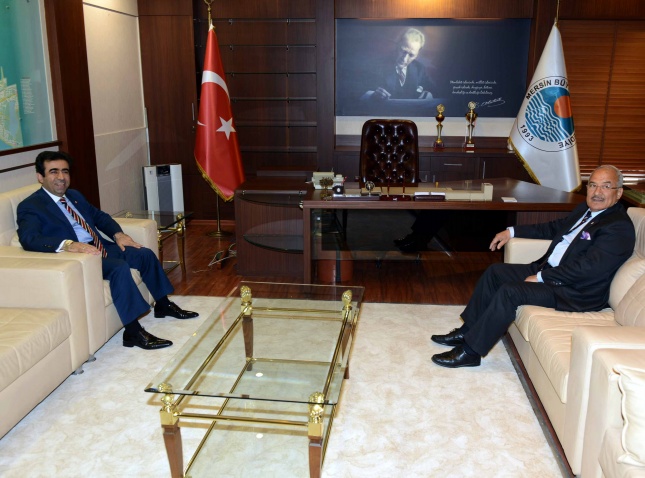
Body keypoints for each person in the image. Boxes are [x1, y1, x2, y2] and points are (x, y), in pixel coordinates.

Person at [431, 165, 635, 368]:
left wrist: (542, 278)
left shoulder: (618, 227)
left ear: (618, 193)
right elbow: (553, 228)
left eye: (605, 186)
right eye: (592, 185)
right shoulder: (585, 209)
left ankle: (471, 352)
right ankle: (468, 331)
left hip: (574, 290)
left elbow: (588, 268)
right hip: (550, 270)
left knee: (511, 291)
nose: (597, 192)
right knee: (495, 272)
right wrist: (511, 232)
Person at [17, 151, 199, 351]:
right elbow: (29, 238)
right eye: (54, 172)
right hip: (80, 258)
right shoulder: (31, 206)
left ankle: (163, 305)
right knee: (119, 267)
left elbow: (100, 217)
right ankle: (133, 332)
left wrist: (118, 234)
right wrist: (69, 244)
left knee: (144, 254)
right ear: (40, 176)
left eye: (65, 171)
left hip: (100, 247)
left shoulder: (74, 195)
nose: (61, 177)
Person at [362, 27, 434, 101]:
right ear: (397, 45)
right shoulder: (376, 65)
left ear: (417, 54)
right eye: (403, 51)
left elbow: (434, 91)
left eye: (411, 55)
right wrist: (372, 95)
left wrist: (429, 94)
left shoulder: (419, 69)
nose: (404, 59)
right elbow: (358, 91)